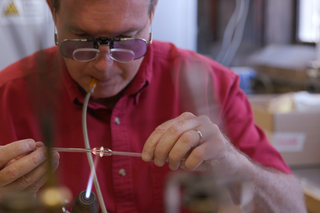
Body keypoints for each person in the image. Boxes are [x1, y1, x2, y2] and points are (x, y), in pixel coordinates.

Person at [0, 0, 306, 212]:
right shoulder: (8, 95)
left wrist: (231, 161)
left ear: (152, 15)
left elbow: (294, 208)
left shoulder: (213, 85)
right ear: (54, 15)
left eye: (126, 39)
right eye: (81, 39)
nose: (104, 67)